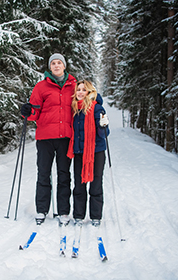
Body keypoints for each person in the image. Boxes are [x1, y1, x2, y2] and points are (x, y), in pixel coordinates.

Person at [20, 53, 76, 225]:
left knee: (64, 175)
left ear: (64, 66)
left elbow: (83, 103)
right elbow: (34, 113)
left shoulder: (74, 86)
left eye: (59, 63)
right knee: (43, 173)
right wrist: (28, 111)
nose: (56, 66)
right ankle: (42, 210)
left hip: (66, 138)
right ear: (50, 67)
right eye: (53, 63)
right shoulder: (41, 87)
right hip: (45, 138)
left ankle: (63, 212)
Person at [67, 80, 109, 227]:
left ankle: (95, 216)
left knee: (96, 184)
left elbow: (104, 134)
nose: (80, 92)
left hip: (96, 152)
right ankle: (78, 215)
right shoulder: (74, 109)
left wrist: (103, 125)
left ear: (89, 92)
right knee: (79, 184)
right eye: (78, 89)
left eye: (83, 90)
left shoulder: (97, 109)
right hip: (79, 152)